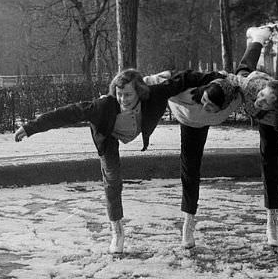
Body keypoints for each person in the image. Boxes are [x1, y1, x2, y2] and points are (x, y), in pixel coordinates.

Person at [147, 25, 278, 249]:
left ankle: (272, 222)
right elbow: (224, 77)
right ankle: (257, 39)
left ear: (277, 107)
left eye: (266, 100)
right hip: (245, 82)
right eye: (262, 96)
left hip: (270, 123)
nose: (260, 100)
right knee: (242, 72)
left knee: (270, 162)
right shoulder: (251, 88)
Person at [14, 69, 219, 254]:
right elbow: (67, 113)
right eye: (119, 94)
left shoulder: (154, 94)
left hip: (136, 122)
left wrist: (217, 77)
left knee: (189, 166)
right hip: (108, 134)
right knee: (113, 180)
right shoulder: (103, 106)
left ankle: (188, 225)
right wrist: (31, 128)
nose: (123, 99)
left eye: (128, 94)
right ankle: (117, 232)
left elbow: (183, 79)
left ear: (140, 91)